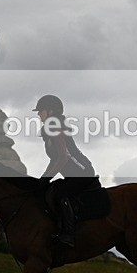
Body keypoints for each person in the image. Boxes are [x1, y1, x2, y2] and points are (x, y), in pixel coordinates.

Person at [33, 95, 97, 248]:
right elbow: (54, 160)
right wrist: (43, 178)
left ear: (51, 111)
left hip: (82, 172)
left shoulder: (55, 127)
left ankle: (68, 234)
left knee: (60, 195)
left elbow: (63, 158)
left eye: (41, 110)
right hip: (72, 175)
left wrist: (46, 178)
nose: (38, 114)